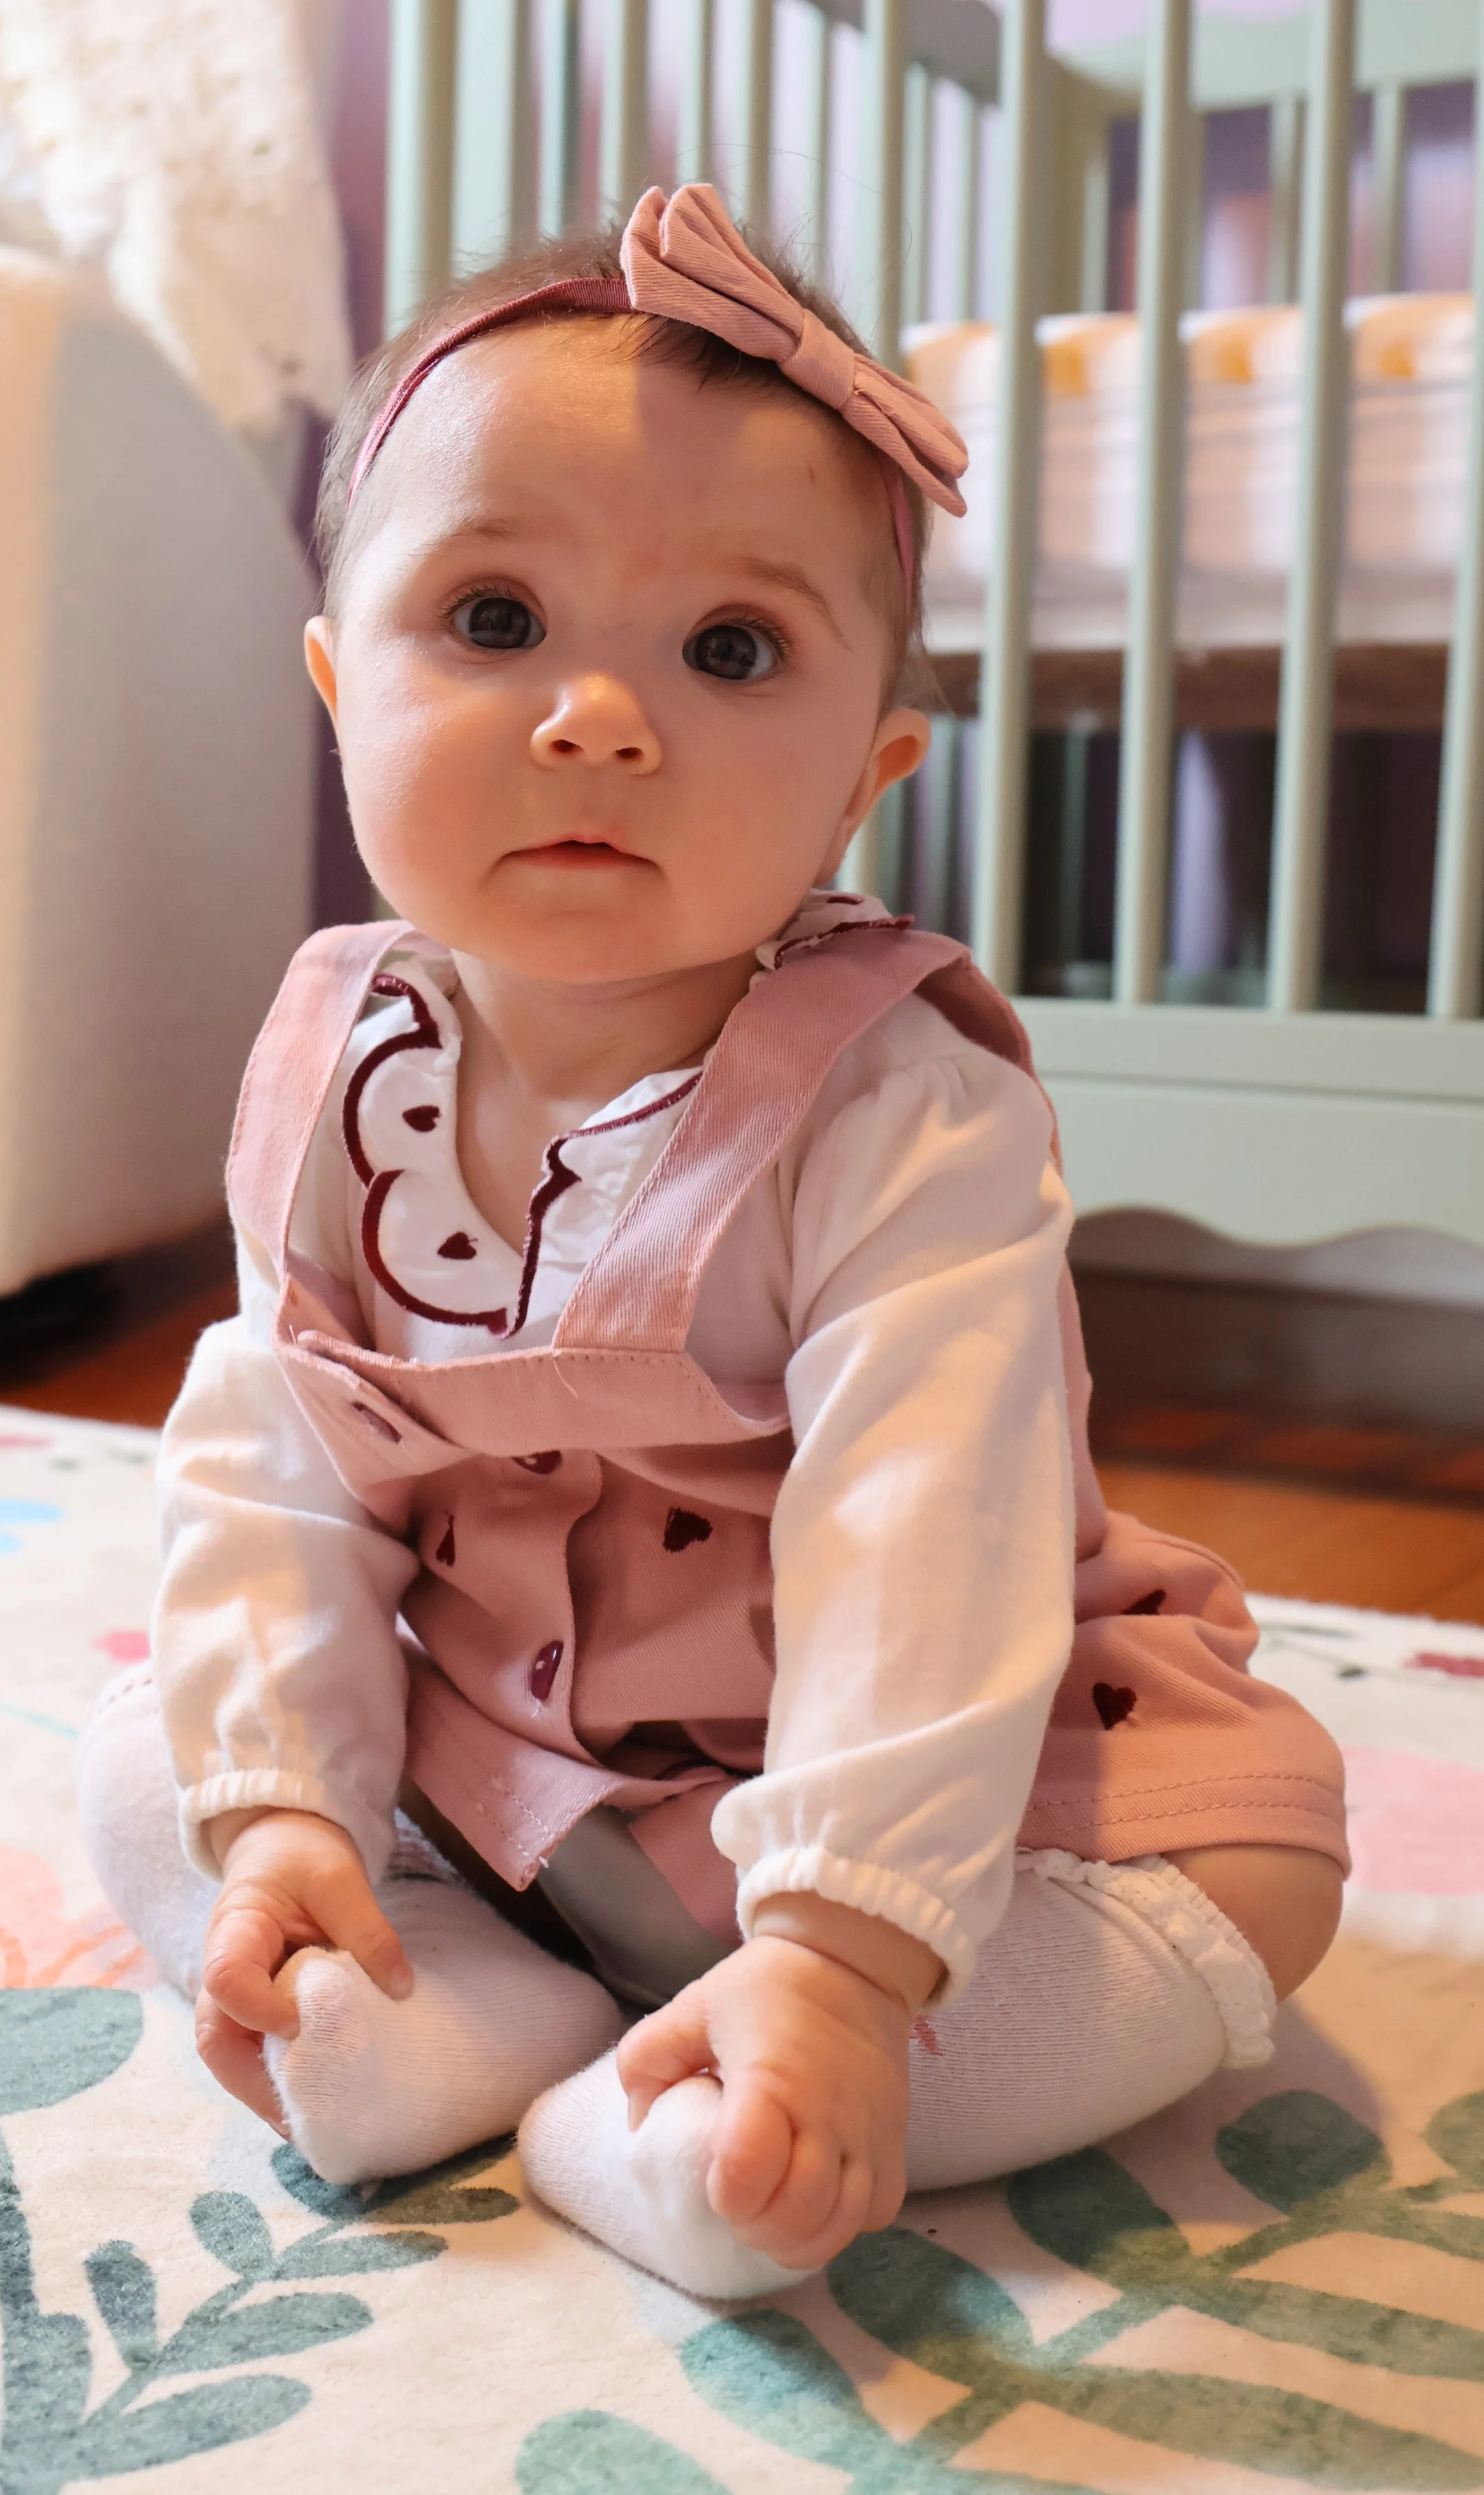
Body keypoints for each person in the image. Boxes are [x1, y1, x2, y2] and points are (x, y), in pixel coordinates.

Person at [80, 185, 1346, 2301]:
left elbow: (925, 1532)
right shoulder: (333, 1061)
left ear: (865, 774)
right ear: (335, 683)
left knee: (1256, 1871)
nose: (594, 716)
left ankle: (703, 2103)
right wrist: (289, 1811)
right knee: (154, 1748)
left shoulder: (898, 1111)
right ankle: (440, 2011)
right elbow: (275, 1458)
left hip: (915, 1795)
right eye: (491, 620)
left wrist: (847, 1951)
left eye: (727, 650)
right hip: (505, 1777)